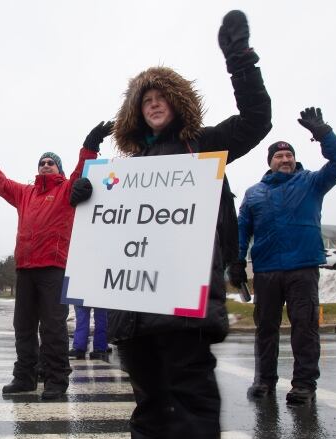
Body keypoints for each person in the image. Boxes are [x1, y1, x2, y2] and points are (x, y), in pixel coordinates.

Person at [82, 10, 272, 438]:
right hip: (132, 312)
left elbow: (257, 119)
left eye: (161, 97)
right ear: (135, 111)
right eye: (145, 99)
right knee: (149, 411)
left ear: (177, 103)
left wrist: (240, 62)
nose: (153, 102)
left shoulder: (204, 149)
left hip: (184, 306)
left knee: (191, 406)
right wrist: (86, 197)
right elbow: (106, 234)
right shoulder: (125, 171)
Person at [0, 120, 112, 400]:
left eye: (51, 162)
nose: (45, 165)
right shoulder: (25, 193)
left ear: (58, 168)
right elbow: (0, 184)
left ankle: (57, 380)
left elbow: (83, 169)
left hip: (53, 269)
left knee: (53, 327)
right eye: (42, 162)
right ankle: (25, 377)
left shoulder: (67, 189)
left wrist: (91, 143)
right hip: (25, 269)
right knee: (23, 327)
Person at [231, 107, 336, 405]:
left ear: (295, 159)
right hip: (267, 269)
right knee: (266, 329)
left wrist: (323, 133)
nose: (285, 159)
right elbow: (241, 229)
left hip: (303, 268)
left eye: (289, 155)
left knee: (305, 328)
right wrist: (235, 261)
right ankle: (264, 381)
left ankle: (304, 385)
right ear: (270, 163)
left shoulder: (312, 182)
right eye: (278, 156)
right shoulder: (254, 193)